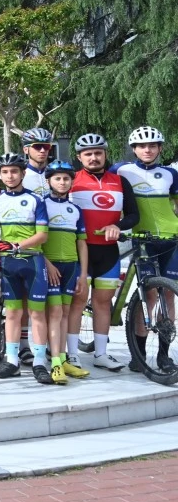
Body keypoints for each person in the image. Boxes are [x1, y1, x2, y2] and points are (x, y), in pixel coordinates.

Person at [0, 152, 52, 384]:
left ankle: (39, 362)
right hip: (9, 263)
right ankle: (12, 360)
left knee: (36, 313)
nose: (10, 175)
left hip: (32, 261)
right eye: (5, 171)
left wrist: (17, 245)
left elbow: (42, 235)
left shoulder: (36, 200)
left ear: (23, 173)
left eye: (14, 171)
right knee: (13, 313)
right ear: (0, 175)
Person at [111, 125, 178, 372]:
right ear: (134, 149)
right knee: (148, 295)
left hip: (172, 238)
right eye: (141, 146)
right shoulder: (121, 170)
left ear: (160, 148)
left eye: (152, 145)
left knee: (168, 294)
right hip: (142, 238)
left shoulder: (170, 173)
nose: (147, 150)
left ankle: (163, 355)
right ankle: (138, 354)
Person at [70, 133, 139, 372]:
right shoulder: (72, 181)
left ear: (105, 154)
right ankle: (71, 355)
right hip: (79, 250)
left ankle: (101, 353)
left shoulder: (120, 182)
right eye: (88, 153)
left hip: (108, 251)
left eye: (98, 152)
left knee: (102, 302)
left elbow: (133, 215)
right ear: (79, 157)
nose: (93, 157)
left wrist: (116, 226)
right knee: (78, 301)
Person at [42, 159, 90, 384]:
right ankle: (54, 363)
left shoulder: (76, 209)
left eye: (66, 178)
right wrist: (46, 263)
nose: (62, 182)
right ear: (49, 181)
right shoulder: (41, 205)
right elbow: (36, 240)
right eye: (57, 178)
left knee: (64, 311)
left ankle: (62, 358)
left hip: (71, 267)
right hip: (50, 266)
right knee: (54, 313)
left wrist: (83, 274)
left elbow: (82, 243)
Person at [21, 127, 54, 196]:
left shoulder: (56, 174)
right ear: (26, 150)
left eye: (46, 146)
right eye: (37, 146)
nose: (42, 150)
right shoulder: (19, 176)